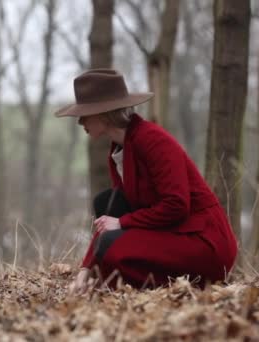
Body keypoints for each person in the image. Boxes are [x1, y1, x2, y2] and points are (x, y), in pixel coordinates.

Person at [54, 69, 238, 294]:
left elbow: (176, 205)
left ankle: (125, 282)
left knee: (112, 245)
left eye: (85, 113)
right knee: (107, 204)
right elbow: (112, 215)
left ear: (104, 113)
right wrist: (85, 270)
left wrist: (122, 224)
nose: (80, 121)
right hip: (173, 233)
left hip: (204, 242)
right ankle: (109, 281)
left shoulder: (153, 141)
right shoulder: (120, 150)